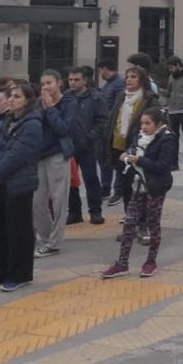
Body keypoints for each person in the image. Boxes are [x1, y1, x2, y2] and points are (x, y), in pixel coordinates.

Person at [0, 80, 44, 292]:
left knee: (18, 231)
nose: (12, 100)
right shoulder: (1, 123)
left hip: (18, 184)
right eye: (11, 96)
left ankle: (19, 274)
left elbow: (16, 156)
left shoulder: (33, 124)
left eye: (17, 97)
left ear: (27, 101)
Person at [101, 107, 178, 278]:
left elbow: (163, 166)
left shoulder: (167, 138)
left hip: (155, 187)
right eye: (142, 123)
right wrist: (126, 155)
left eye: (147, 123)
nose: (143, 127)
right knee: (129, 223)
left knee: (153, 224)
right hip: (138, 186)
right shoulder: (139, 136)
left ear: (158, 124)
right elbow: (132, 148)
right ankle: (122, 263)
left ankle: (151, 261)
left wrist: (140, 160)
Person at [33, 69, 76, 259]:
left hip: (58, 154)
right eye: (42, 84)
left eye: (49, 83)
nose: (45, 87)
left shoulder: (69, 103)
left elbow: (64, 129)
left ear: (59, 83)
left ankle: (55, 243)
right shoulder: (38, 104)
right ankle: (43, 238)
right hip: (39, 155)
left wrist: (50, 108)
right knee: (37, 201)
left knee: (59, 200)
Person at [104, 66, 151, 212]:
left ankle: (142, 219)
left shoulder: (148, 99)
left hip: (138, 148)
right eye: (128, 76)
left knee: (139, 186)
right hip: (118, 146)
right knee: (125, 186)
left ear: (142, 80)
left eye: (134, 77)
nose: (129, 80)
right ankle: (129, 216)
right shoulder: (121, 97)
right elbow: (114, 119)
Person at [64, 66, 105, 226]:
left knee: (91, 178)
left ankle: (95, 210)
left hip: (87, 146)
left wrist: (91, 137)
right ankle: (74, 212)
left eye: (77, 80)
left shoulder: (96, 98)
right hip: (69, 146)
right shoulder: (66, 97)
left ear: (85, 80)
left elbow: (102, 121)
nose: (73, 83)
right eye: (70, 80)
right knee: (70, 180)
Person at [92, 58, 124, 198]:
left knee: (112, 160)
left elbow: (117, 106)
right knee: (103, 159)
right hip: (104, 128)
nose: (100, 74)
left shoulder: (118, 84)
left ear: (105, 69)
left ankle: (115, 189)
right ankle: (105, 188)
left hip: (112, 129)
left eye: (100, 71)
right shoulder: (109, 84)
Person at [163, 56, 183, 173]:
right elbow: (169, 91)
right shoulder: (171, 77)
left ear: (178, 65)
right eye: (169, 68)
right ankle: (174, 164)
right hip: (173, 110)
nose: (170, 70)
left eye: (172, 68)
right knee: (173, 138)